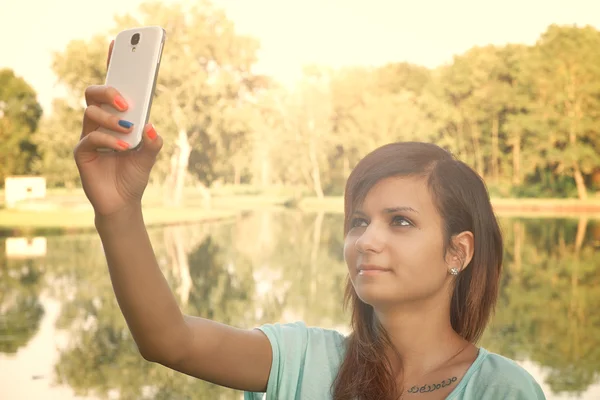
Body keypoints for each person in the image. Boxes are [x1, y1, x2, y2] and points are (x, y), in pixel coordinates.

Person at [73, 44, 547, 400]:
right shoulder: (302, 361)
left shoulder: (503, 389)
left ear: (458, 251)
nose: (367, 241)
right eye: (359, 221)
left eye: (400, 222)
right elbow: (169, 341)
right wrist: (118, 210)